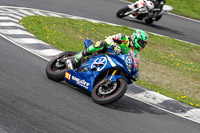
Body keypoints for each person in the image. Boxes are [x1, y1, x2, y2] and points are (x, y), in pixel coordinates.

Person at [66, 29, 149, 80]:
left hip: (114, 61)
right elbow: (109, 38)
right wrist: (114, 45)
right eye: (141, 42)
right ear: (135, 38)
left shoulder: (134, 52)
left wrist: (136, 72)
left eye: (143, 44)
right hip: (105, 52)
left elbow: (134, 63)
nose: (142, 45)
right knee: (101, 43)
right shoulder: (123, 37)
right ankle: (77, 57)